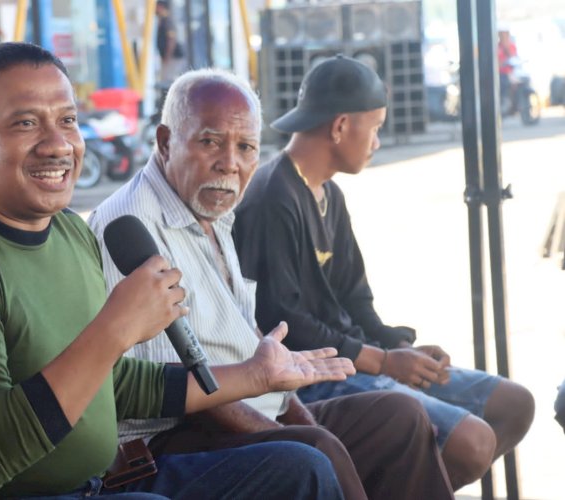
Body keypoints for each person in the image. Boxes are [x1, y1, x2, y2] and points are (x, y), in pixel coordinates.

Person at [0, 42, 353, 499]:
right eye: (25, 123)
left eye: (67, 121)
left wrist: (254, 374)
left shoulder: (68, 232)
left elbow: (115, 382)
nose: (58, 144)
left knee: (303, 468)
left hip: (102, 484)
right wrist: (114, 328)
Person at [89, 68, 455, 500]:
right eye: (210, 142)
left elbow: (252, 340)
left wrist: (302, 421)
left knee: (400, 417)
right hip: (171, 441)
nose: (231, 163)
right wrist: (297, 435)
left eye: (245, 147)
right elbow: (175, 387)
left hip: (253, 410)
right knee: (316, 453)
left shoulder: (211, 207)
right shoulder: (131, 224)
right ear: (166, 141)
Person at [233, 54, 536, 490]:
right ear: (339, 127)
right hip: (313, 380)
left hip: (360, 361)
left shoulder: (329, 194)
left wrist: (397, 344)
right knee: (471, 441)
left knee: (513, 404)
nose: (377, 141)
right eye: (374, 127)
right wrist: (383, 361)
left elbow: (355, 300)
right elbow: (286, 323)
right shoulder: (271, 198)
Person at [155, 0, 184, 84]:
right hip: (168, 56)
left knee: (168, 80)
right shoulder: (161, 19)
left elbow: (171, 40)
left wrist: (167, 56)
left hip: (173, 57)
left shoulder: (167, 20)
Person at [497, 28, 518, 110]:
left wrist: (506, 47)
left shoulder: (511, 46)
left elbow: (513, 58)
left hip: (511, 73)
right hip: (501, 74)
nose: (503, 36)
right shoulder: (497, 47)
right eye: (501, 34)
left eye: (505, 34)